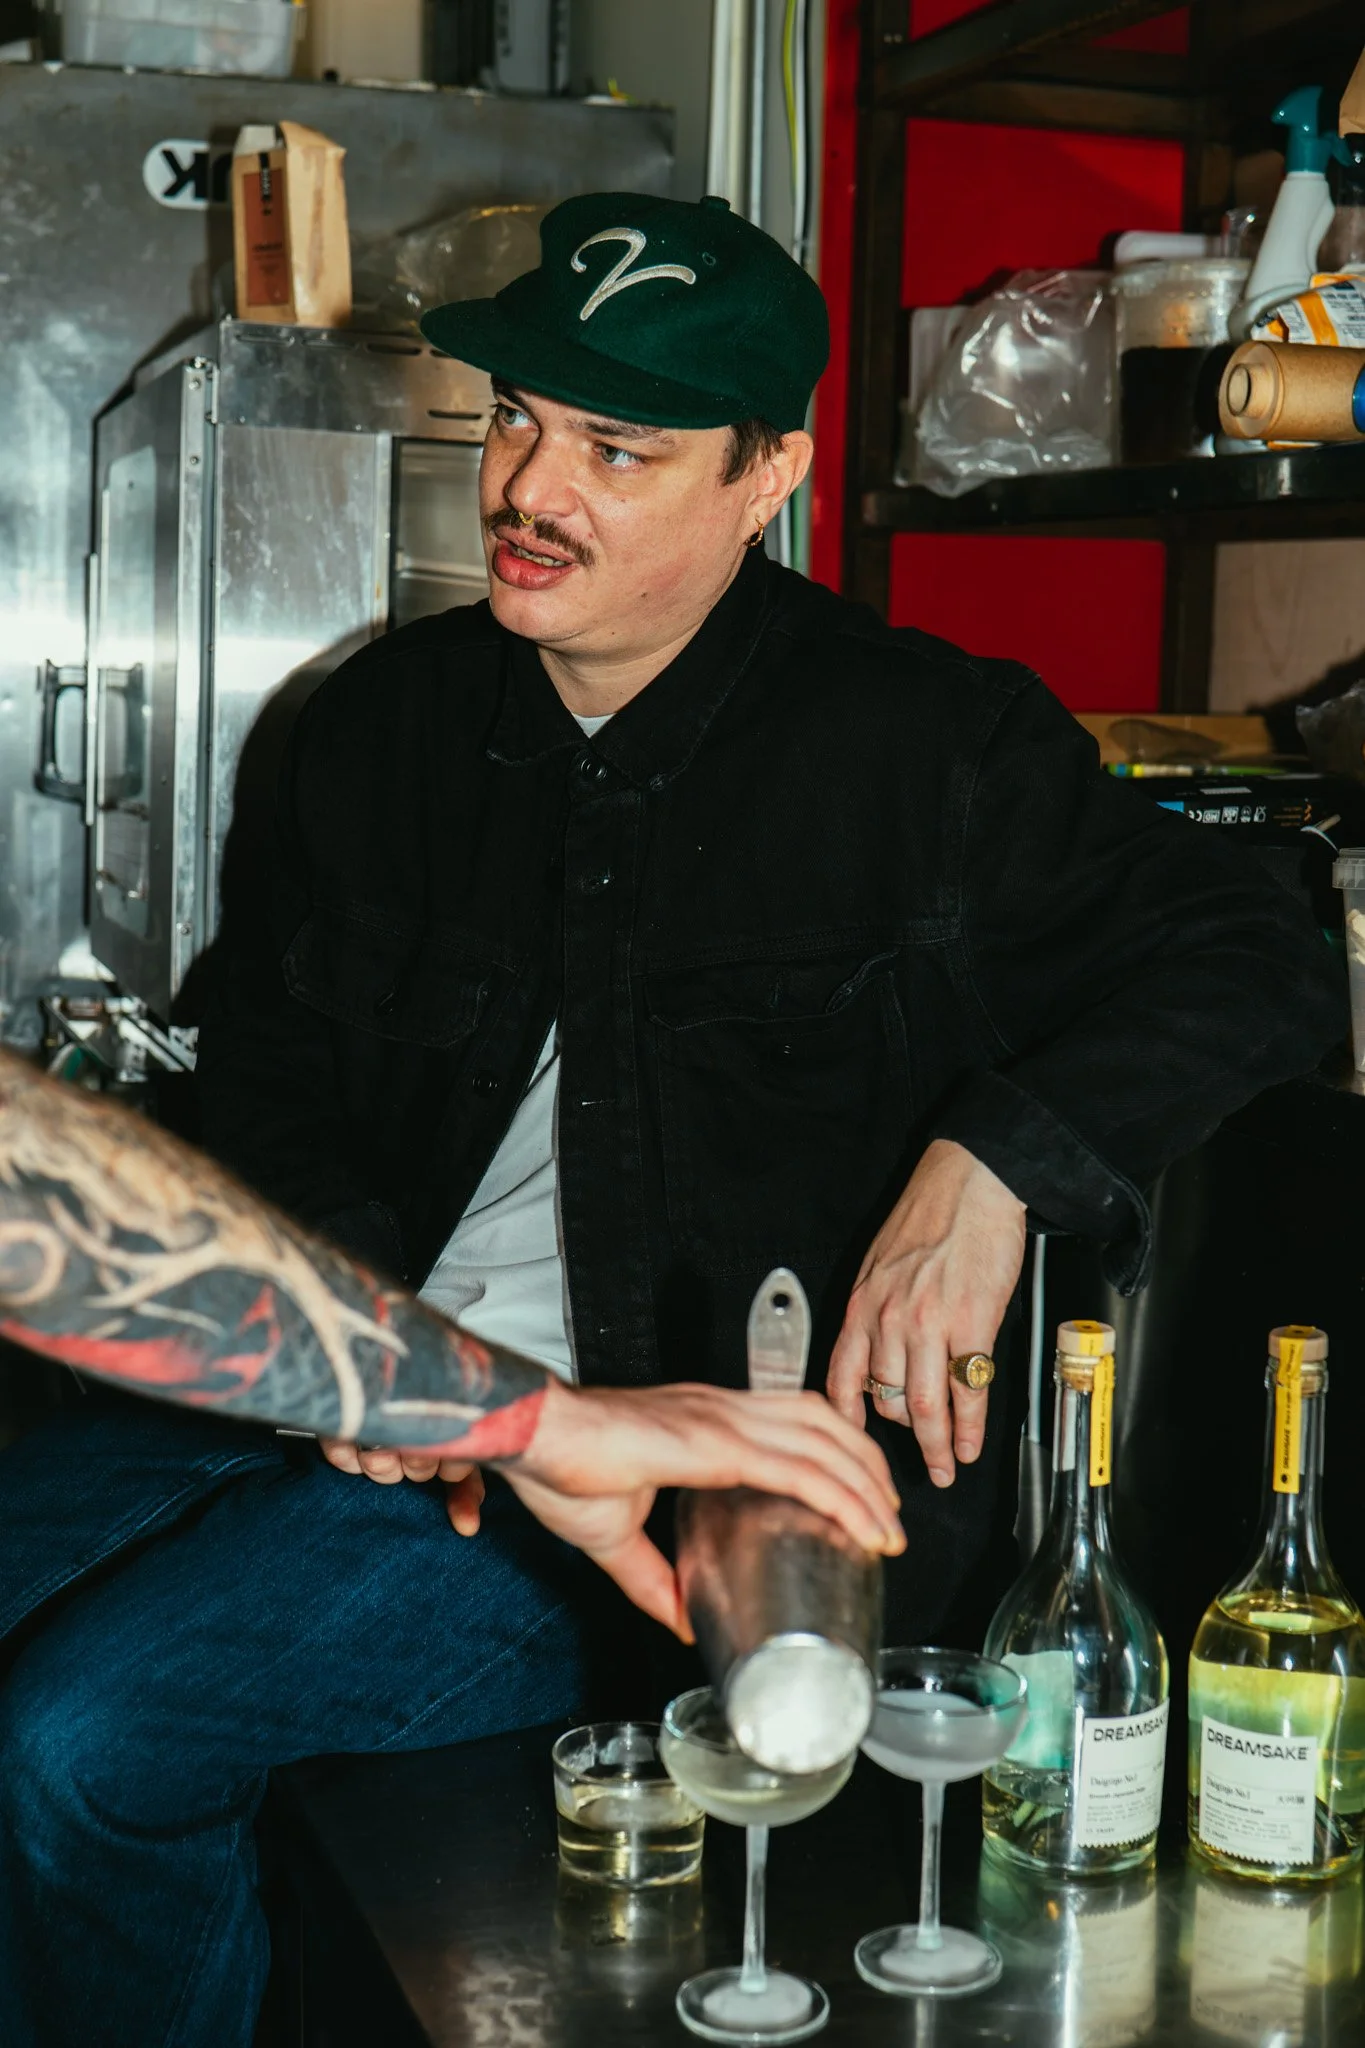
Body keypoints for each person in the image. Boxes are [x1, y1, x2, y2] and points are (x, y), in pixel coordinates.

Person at [0, 187, 1340, 2046]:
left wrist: (997, 1161)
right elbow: (262, 1073)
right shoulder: (371, 731)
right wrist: (387, 1323)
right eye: (521, 418)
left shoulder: (933, 750)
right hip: (350, 1386)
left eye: (620, 447)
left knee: (82, 1747)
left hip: (634, 1500)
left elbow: (1266, 952)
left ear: (770, 471)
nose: (532, 486)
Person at [0, 1051, 902, 2048]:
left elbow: (37, 1184)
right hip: (377, 1410)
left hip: (445, 1444)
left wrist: (460, 1402)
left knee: (78, 1732)